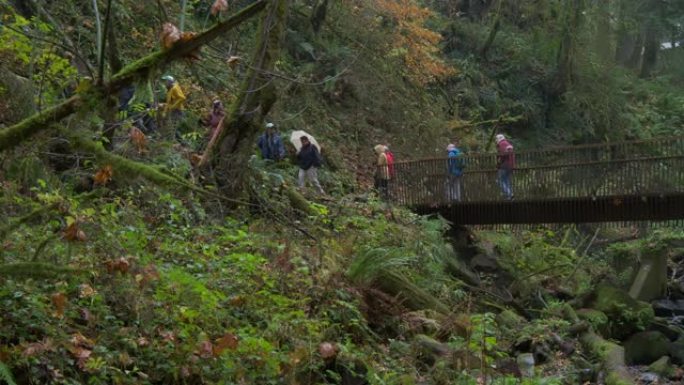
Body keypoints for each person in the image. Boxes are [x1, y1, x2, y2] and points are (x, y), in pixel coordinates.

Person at [161, 75, 186, 140]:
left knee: (174, 127)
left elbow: (182, 98)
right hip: (173, 110)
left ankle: (181, 142)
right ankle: (173, 141)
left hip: (178, 110)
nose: (165, 83)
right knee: (171, 126)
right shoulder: (169, 90)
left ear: (169, 82)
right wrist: (164, 112)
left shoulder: (175, 88)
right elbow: (168, 103)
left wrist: (173, 106)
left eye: (165, 81)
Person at [495, 134, 515, 200]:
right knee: (506, 181)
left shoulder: (502, 144)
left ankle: (510, 194)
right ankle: (509, 197)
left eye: (496, 139)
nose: (496, 140)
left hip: (504, 166)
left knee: (499, 181)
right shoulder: (507, 143)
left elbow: (503, 154)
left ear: (499, 139)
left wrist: (498, 163)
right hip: (510, 165)